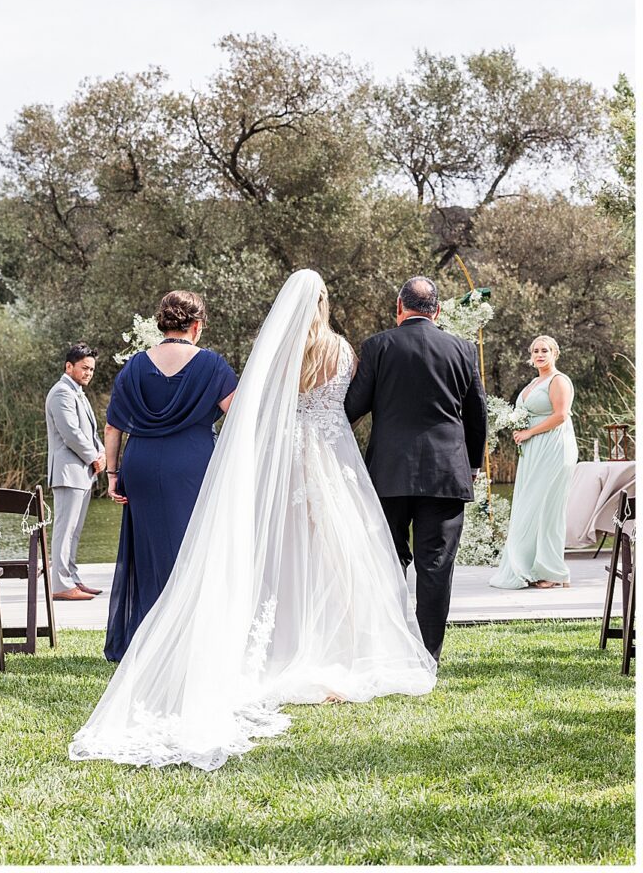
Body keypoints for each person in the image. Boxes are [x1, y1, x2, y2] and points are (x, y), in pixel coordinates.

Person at [70, 270, 436, 771]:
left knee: (276, 550)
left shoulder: (276, 348)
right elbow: (330, 404)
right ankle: (340, 644)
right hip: (331, 459)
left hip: (271, 461)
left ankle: (233, 640)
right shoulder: (343, 352)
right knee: (339, 549)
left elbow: (251, 410)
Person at [344, 277, 487, 662]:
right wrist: (472, 464)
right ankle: (428, 656)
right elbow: (477, 415)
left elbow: (352, 407)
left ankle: (390, 648)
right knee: (436, 564)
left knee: (389, 559)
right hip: (446, 472)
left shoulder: (378, 346)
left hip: (389, 472)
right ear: (437, 311)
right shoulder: (462, 349)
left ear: (398, 307)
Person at [103, 290, 238, 662]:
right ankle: (190, 635)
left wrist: (113, 475)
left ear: (163, 323)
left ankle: (149, 636)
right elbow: (239, 416)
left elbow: (113, 428)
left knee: (148, 550)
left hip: (142, 463)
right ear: (196, 325)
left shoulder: (134, 366)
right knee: (192, 547)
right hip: (192, 464)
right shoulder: (212, 366)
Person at [490, 335, 578, 590]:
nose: (540, 355)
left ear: (555, 353)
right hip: (533, 452)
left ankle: (554, 571)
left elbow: (561, 415)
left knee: (547, 509)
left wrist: (529, 432)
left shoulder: (559, 380)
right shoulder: (533, 382)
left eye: (545, 350)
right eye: (536, 351)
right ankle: (529, 566)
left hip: (553, 449)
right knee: (529, 507)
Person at [45, 343, 106, 601]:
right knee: (64, 530)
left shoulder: (77, 392)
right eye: (84, 368)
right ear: (68, 366)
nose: (88, 373)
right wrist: (94, 457)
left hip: (82, 473)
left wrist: (101, 452)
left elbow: (89, 432)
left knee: (75, 531)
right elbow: (71, 434)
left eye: (91, 369)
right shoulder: (61, 393)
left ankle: (73, 579)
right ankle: (60, 585)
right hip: (69, 472)